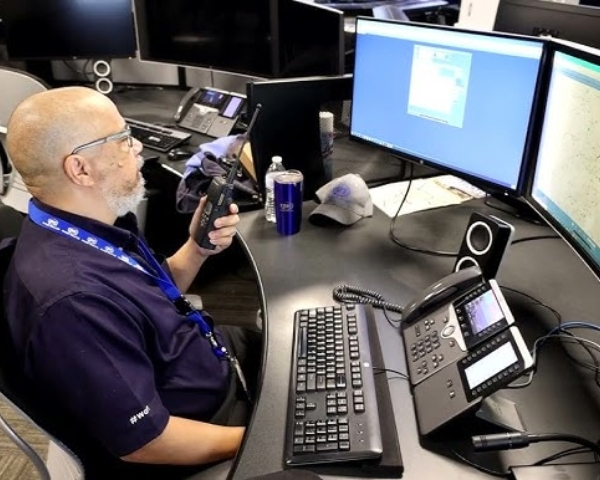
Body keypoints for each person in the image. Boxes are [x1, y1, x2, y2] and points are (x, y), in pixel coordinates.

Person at [3, 86, 260, 479]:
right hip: (201, 428)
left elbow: (150, 295)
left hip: (204, 357)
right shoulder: (73, 304)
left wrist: (196, 248)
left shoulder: (89, 226)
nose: (137, 147)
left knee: (317, 343)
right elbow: (147, 442)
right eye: (123, 139)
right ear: (80, 169)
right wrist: (265, 436)